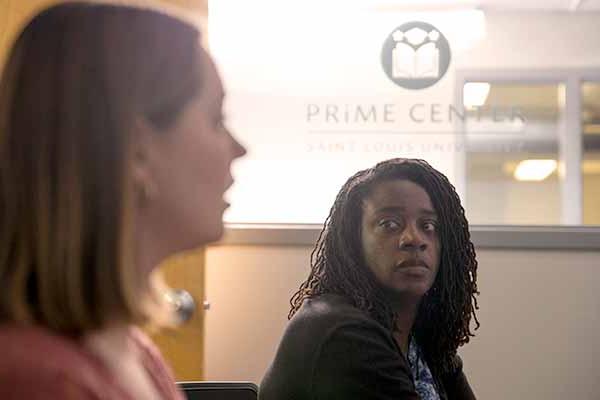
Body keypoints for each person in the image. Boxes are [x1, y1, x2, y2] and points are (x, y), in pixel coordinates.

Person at [0, 2, 245, 399]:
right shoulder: (39, 381)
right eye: (216, 119)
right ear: (137, 152)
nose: (239, 149)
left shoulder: (132, 347)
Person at [260, 158, 479, 400]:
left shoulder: (425, 341)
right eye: (390, 224)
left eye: (428, 225)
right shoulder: (344, 335)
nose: (413, 238)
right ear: (354, 241)